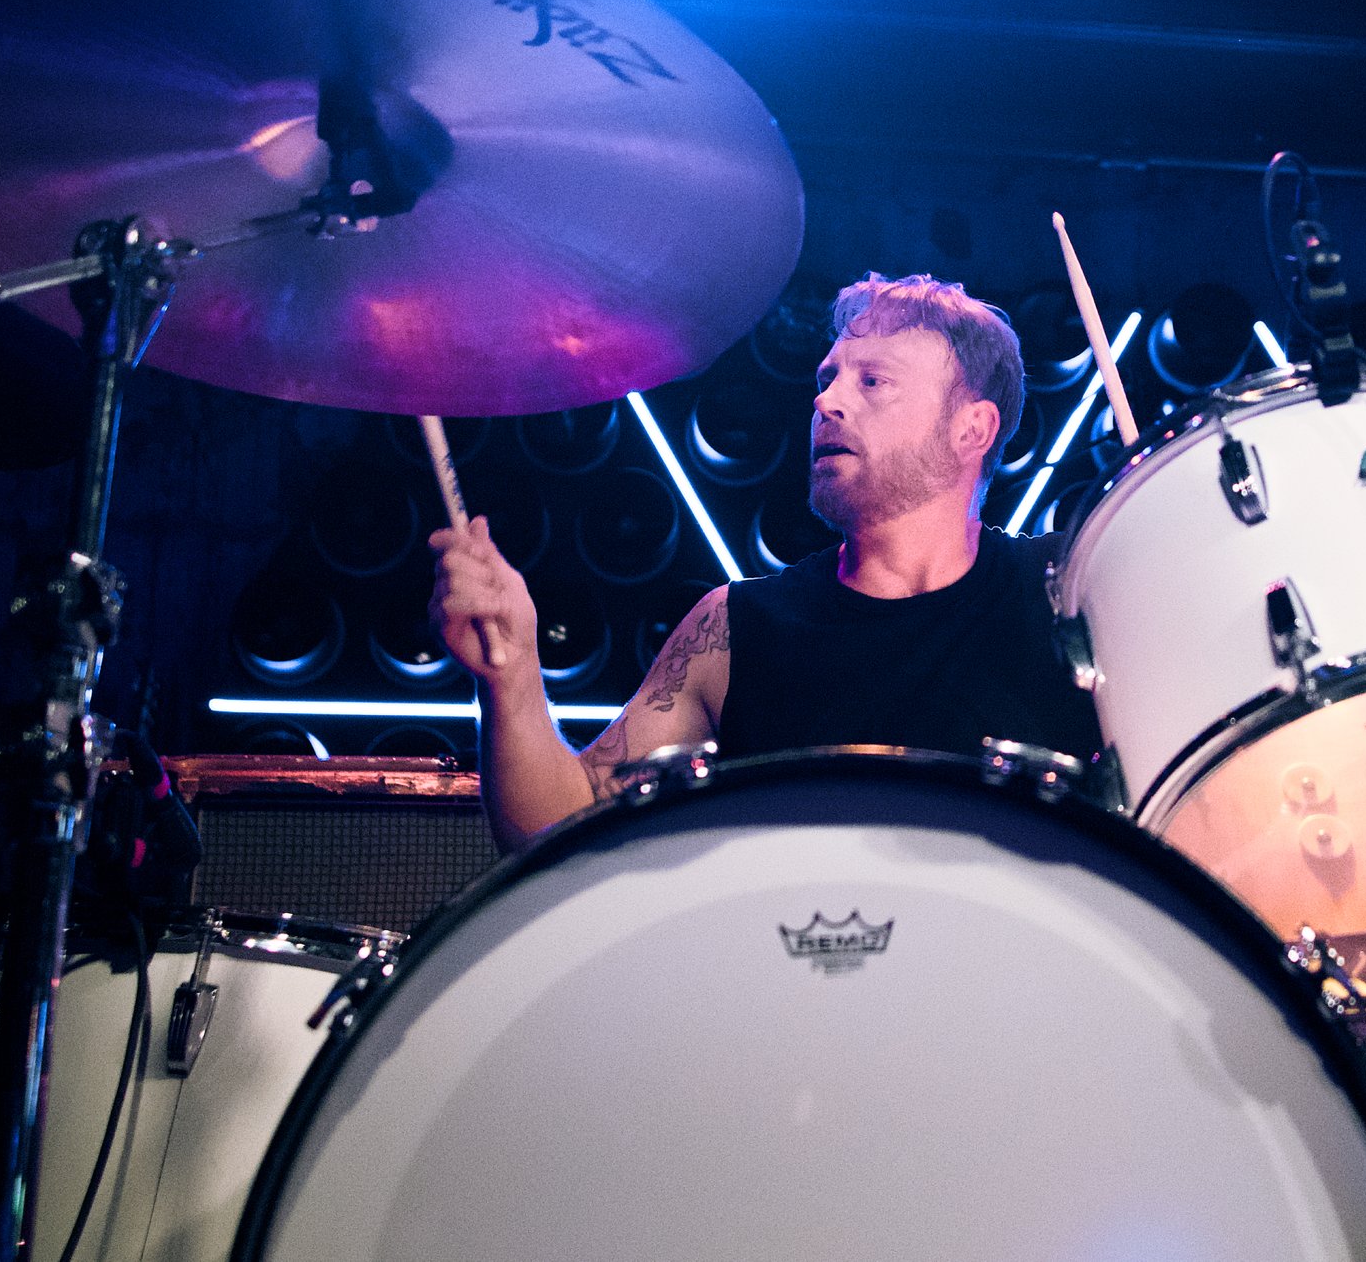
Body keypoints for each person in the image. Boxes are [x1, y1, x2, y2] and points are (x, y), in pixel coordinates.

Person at [432, 273, 1103, 849]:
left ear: (971, 429)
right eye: (828, 378)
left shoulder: (1072, 594)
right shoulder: (734, 626)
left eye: (873, 381)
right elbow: (563, 827)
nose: (826, 400)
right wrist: (511, 677)